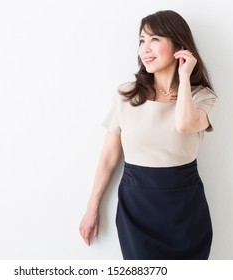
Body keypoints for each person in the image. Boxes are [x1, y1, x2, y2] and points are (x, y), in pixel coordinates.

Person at [79, 10, 218, 260]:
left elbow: (185, 124)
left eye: (155, 39)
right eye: (142, 40)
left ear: (179, 46)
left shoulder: (201, 97)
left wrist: (184, 77)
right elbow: (110, 157)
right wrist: (92, 207)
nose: (145, 49)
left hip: (185, 208)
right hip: (137, 207)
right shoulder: (126, 94)